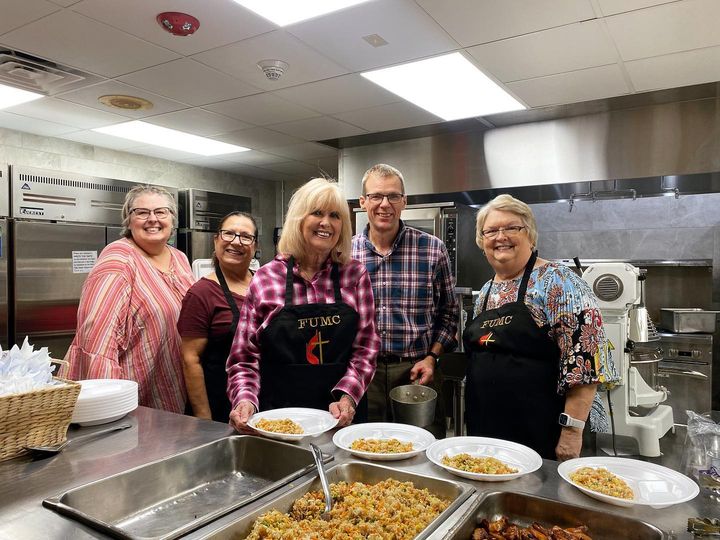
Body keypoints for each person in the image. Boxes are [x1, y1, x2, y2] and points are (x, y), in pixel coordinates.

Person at [464, 194, 618, 460]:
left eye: (512, 227)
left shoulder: (559, 282)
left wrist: (571, 434)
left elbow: (585, 363)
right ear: (482, 242)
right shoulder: (488, 291)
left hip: (543, 431)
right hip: (486, 430)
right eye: (491, 231)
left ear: (531, 236)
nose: (501, 236)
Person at [227, 177, 379, 431]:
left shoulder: (355, 275)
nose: (326, 223)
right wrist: (245, 401)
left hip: (339, 417)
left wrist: (347, 397)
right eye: (317, 213)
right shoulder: (266, 277)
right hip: (277, 417)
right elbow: (244, 357)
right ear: (298, 219)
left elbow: (366, 349)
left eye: (335, 215)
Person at [64, 185, 194, 413]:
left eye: (161, 212)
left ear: (172, 219)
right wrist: (107, 404)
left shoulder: (180, 258)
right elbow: (97, 336)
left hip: (172, 387)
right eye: (141, 212)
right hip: (129, 395)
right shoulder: (118, 259)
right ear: (128, 219)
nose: (152, 219)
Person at [351, 164, 458, 438]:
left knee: (422, 449)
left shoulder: (432, 249)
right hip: (364, 373)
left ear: (404, 201)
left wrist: (432, 357)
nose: (384, 204)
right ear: (363, 202)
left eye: (393, 196)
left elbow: (449, 313)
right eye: (376, 196)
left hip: (417, 370)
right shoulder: (346, 253)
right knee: (366, 447)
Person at [177, 212, 257, 423]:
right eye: (228, 234)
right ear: (216, 240)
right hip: (220, 406)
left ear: (255, 246)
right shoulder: (201, 293)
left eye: (245, 236)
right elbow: (190, 360)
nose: (236, 242)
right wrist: (205, 420)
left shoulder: (263, 284)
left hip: (260, 399)